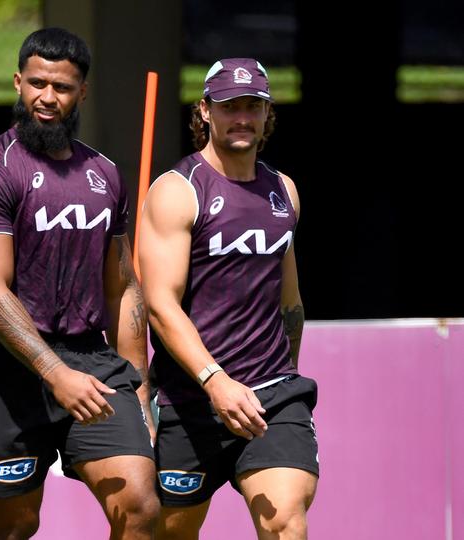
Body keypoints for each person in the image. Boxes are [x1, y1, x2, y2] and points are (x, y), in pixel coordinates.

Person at [0, 27, 159, 540]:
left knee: (141, 507)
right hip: (11, 369)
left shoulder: (104, 174)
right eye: (36, 83)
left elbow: (121, 287)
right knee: (14, 526)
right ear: (18, 82)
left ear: (81, 92)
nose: (47, 97)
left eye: (61, 87)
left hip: (94, 362)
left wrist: (139, 386)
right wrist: (55, 373)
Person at [138, 58, 319, 540]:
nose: (242, 117)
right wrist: (215, 382)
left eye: (252, 106)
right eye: (229, 106)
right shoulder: (178, 191)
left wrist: (288, 377)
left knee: (286, 520)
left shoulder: (284, 191)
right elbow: (160, 305)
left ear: (267, 113)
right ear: (205, 111)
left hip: (271, 396)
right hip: (191, 398)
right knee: (170, 532)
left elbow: (290, 301)